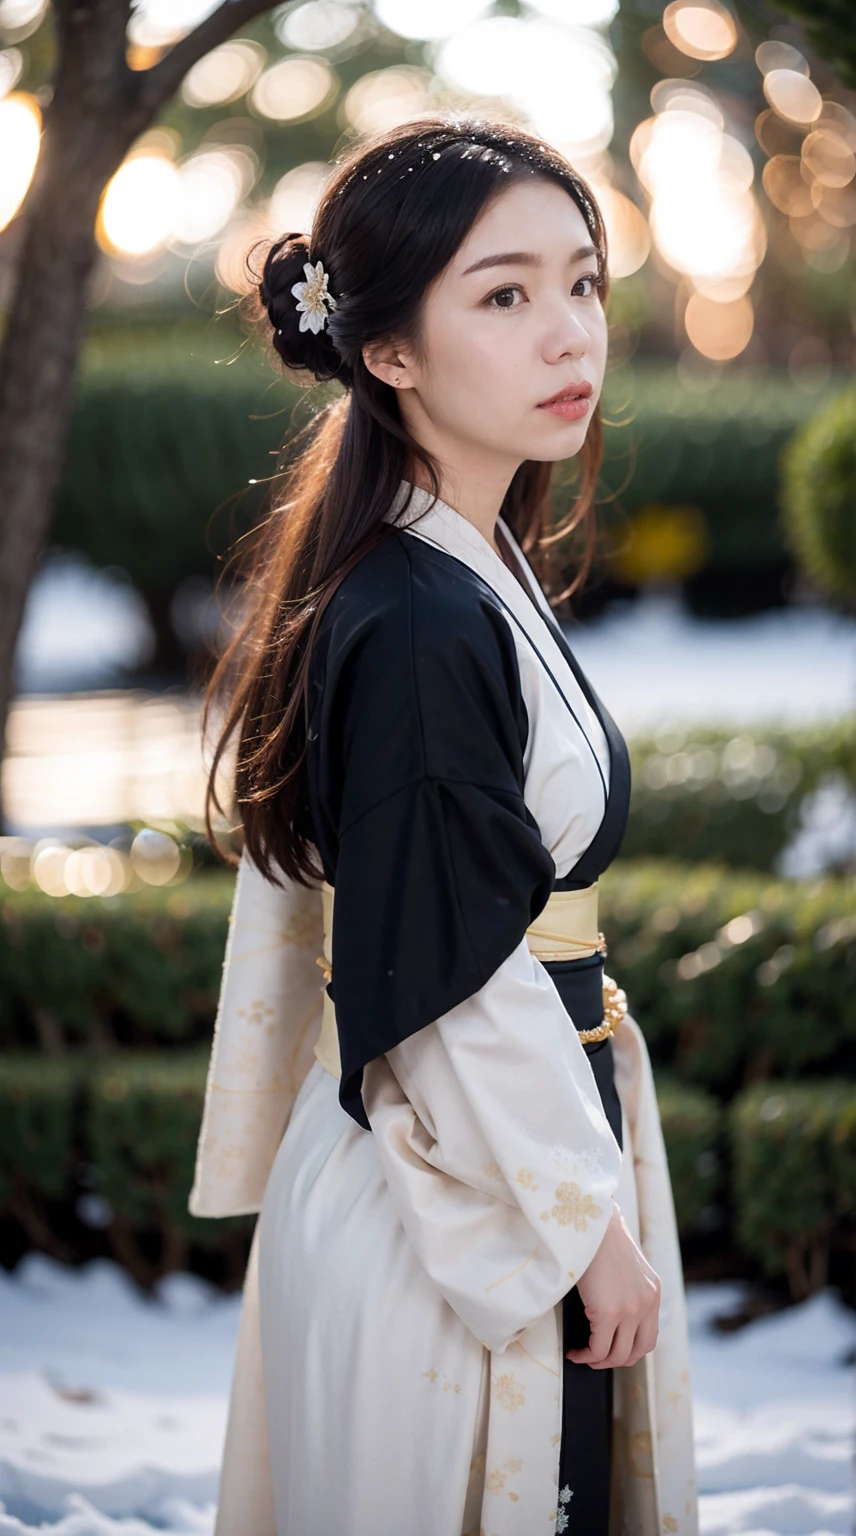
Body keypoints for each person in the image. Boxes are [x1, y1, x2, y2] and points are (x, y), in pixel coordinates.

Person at [189, 113, 698, 1536]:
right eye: (505, 294)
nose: (568, 335)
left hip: (484, 1163)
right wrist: (589, 1234)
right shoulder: (417, 615)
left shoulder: (459, 569)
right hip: (456, 1215)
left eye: (583, 283)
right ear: (389, 352)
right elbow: (450, 971)